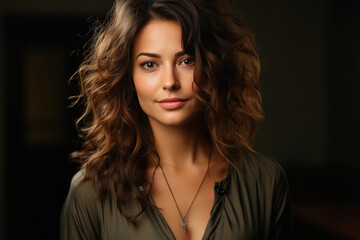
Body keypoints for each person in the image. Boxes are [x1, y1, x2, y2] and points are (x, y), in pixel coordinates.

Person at [60, 0, 291, 239]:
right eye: (150, 64)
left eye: (186, 61)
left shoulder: (265, 181)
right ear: (128, 76)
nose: (170, 82)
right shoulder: (91, 191)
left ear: (213, 66)